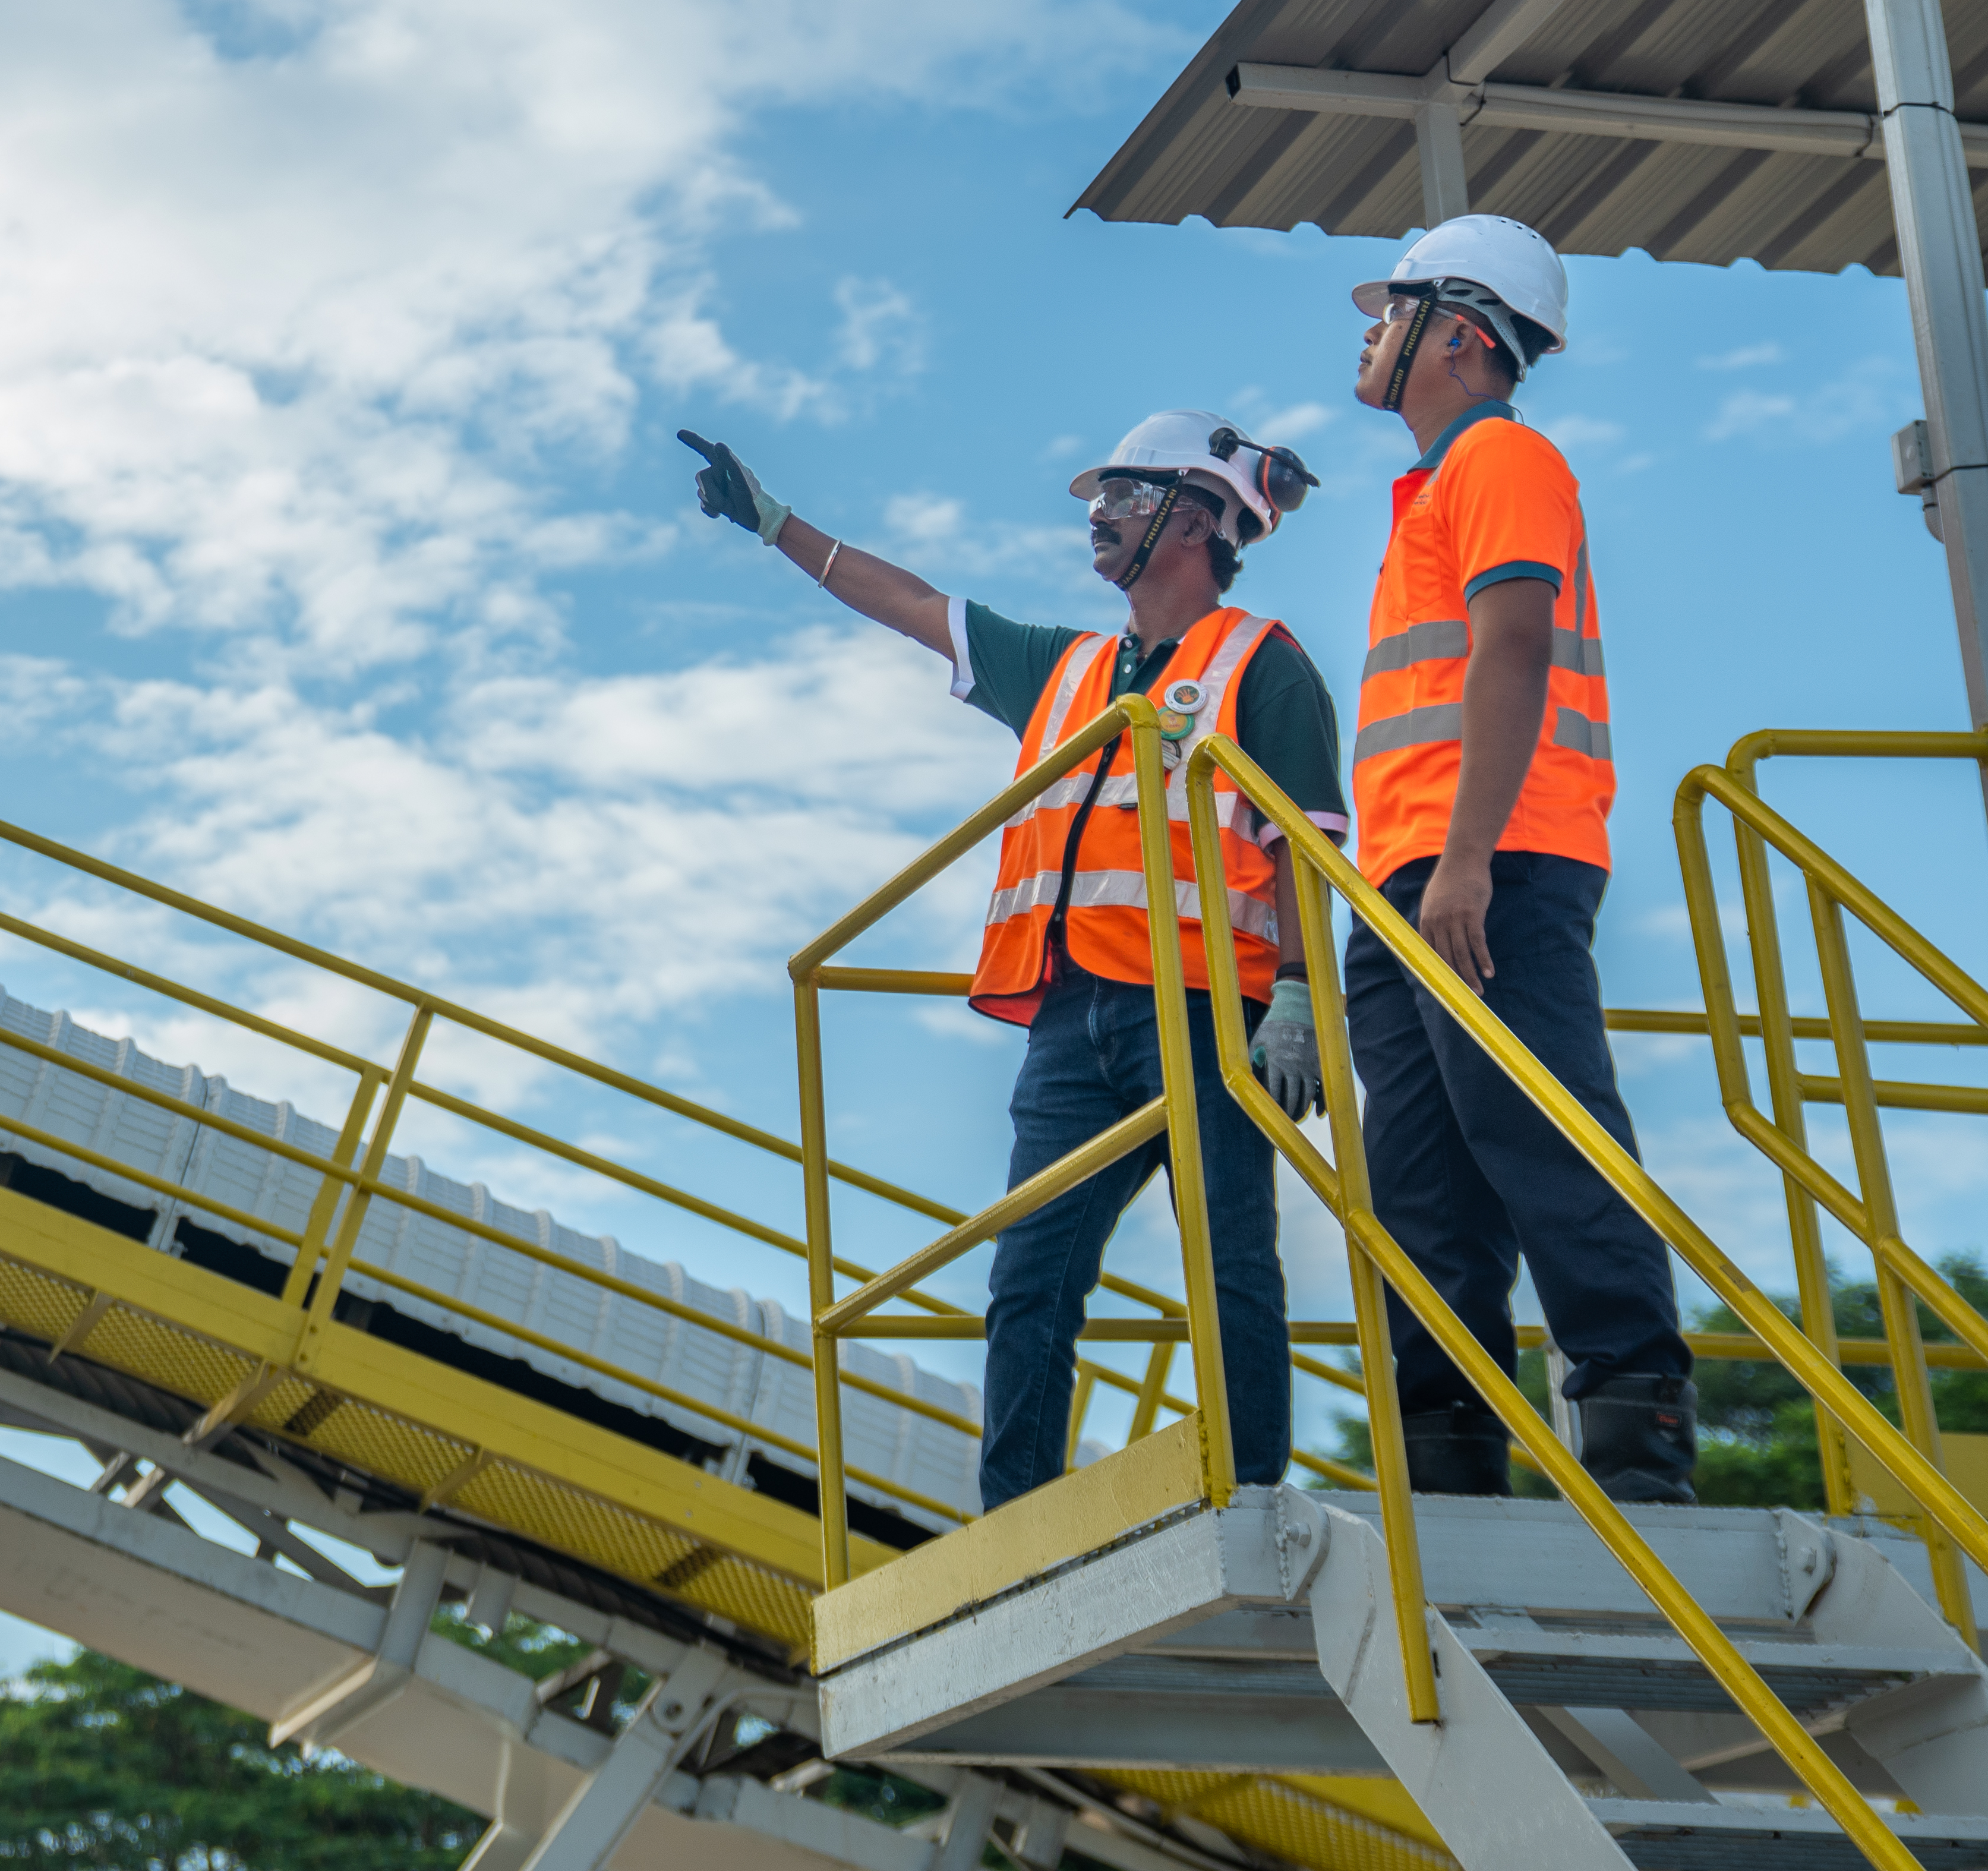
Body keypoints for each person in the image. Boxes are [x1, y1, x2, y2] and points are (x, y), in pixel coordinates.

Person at [687, 409, 1342, 1510]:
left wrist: (1298, 1001)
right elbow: (915, 608)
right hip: (1073, 1019)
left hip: (1209, 1010)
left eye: (1123, 499)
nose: (1097, 515)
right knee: (1029, 1278)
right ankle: (1019, 1522)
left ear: (1190, 518)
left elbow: (1306, 851)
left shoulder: (1262, 667)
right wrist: (776, 526)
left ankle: (1257, 1498)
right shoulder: (1072, 669)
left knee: (1231, 1258)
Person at [1334, 214, 1693, 1504]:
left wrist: (1469, 859)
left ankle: (1637, 1430)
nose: (1370, 334)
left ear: (1463, 333)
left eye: (1392, 311)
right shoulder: (1434, 485)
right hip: (1403, 878)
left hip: (1495, 861)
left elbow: (1514, 649)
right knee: (1422, 1191)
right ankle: (1447, 1457)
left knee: (1539, 1135)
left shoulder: (1500, 456)